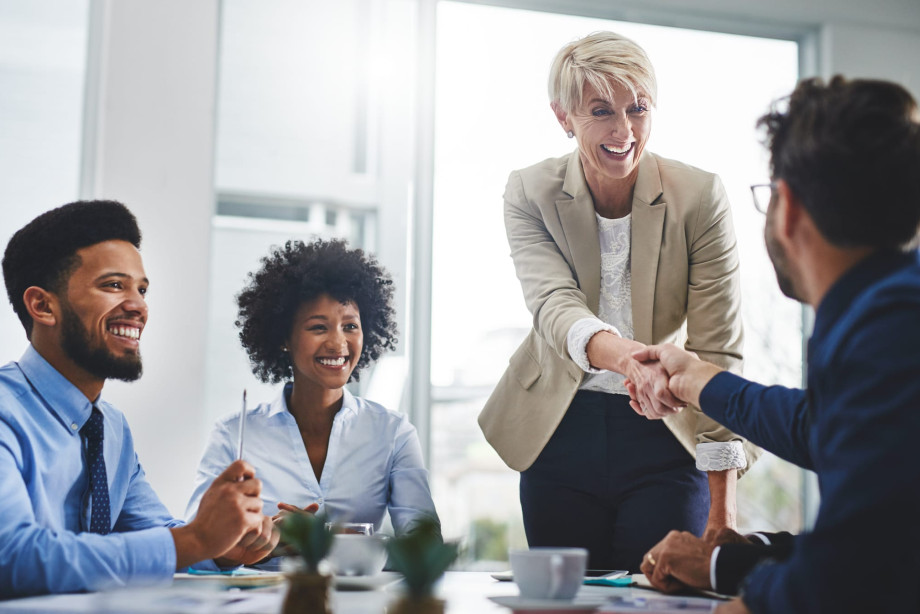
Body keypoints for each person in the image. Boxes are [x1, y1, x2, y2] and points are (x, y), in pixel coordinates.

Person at [633, 76, 920, 613]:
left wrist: (744, 603)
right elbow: (823, 428)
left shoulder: (887, 325)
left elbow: (850, 574)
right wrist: (698, 379)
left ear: (786, 207)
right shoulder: (890, 308)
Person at [478, 31, 756, 571]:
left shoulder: (699, 197)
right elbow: (554, 306)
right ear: (564, 117)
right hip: (557, 429)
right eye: (601, 111)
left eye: (638, 109)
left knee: (662, 595)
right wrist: (634, 361)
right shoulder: (529, 192)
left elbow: (718, 350)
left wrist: (723, 512)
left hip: (666, 432)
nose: (623, 131)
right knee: (568, 602)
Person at [0, 201, 279, 599]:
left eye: (141, 289)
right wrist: (195, 540)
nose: (138, 306)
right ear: (43, 306)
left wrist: (223, 545)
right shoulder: (6, 412)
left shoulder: (110, 429)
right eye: (114, 285)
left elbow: (157, 534)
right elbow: (12, 558)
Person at [186, 239, 439, 544]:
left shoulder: (393, 433)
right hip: (257, 592)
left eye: (350, 326)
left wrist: (322, 537)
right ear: (285, 338)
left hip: (357, 591)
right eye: (319, 327)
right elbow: (198, 543)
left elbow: (424, 545)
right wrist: (271, 539)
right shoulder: (233, 435)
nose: (338, 343)